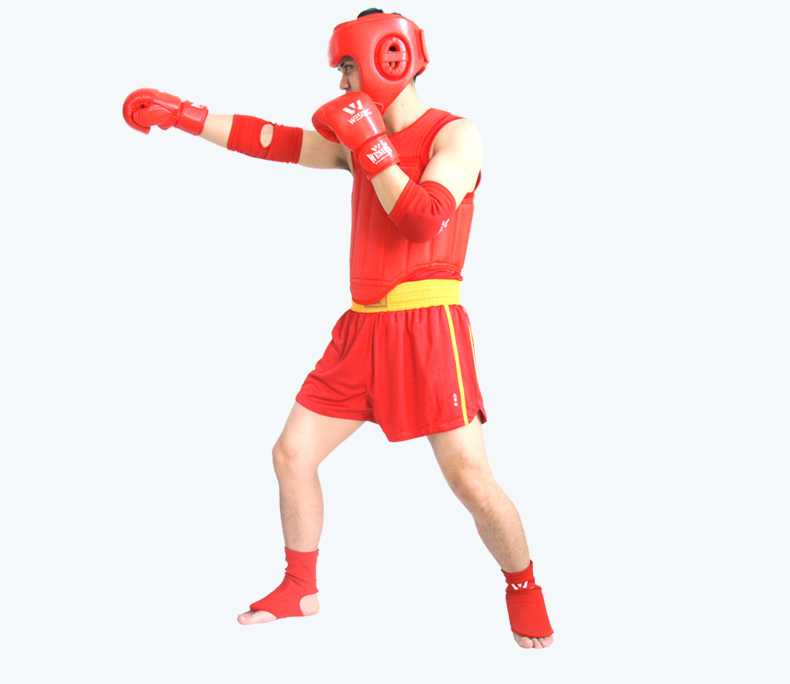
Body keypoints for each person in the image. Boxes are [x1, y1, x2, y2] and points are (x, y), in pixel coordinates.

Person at [122, 8, 553, 649]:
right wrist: (186, 115)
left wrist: (372, 147)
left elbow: (421, 219)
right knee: (292, 453)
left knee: (469, 478)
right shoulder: (356, 143)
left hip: (429, 327)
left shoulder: (456, 135)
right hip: (362, 328)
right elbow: (274, 141)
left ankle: (523, 586)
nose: (343, 82)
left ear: (389, 58)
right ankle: (301, 586)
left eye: (349, 66)